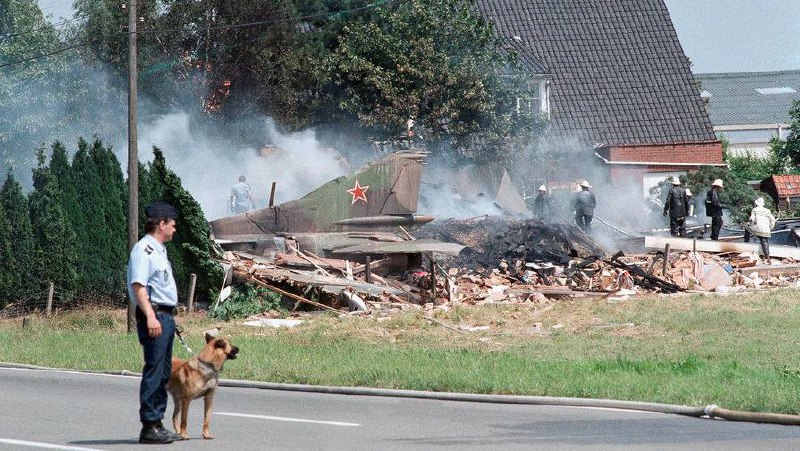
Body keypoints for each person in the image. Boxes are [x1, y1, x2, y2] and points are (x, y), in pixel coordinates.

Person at [127, 201, 182, 444]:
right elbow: (138, 286)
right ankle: (149, 425)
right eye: (172, 225)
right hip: (155, 316)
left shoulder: (159, 250)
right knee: (155, 370)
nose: (174, 229)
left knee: (164, 372)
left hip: (165, 316)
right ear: (161, 224)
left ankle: (158, 423)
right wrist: (150, 315)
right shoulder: (144, 250)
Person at [744, 197, 776, 261]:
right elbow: (773, 219)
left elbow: (751, 218)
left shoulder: (754, 209)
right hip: (765, 229)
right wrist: (771, 227)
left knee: (746, 227)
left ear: (757, 204)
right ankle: (767, 256)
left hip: (757, 228)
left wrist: (752, 222)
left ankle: (746, 242)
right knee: (764, 240)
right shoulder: (767, 210)